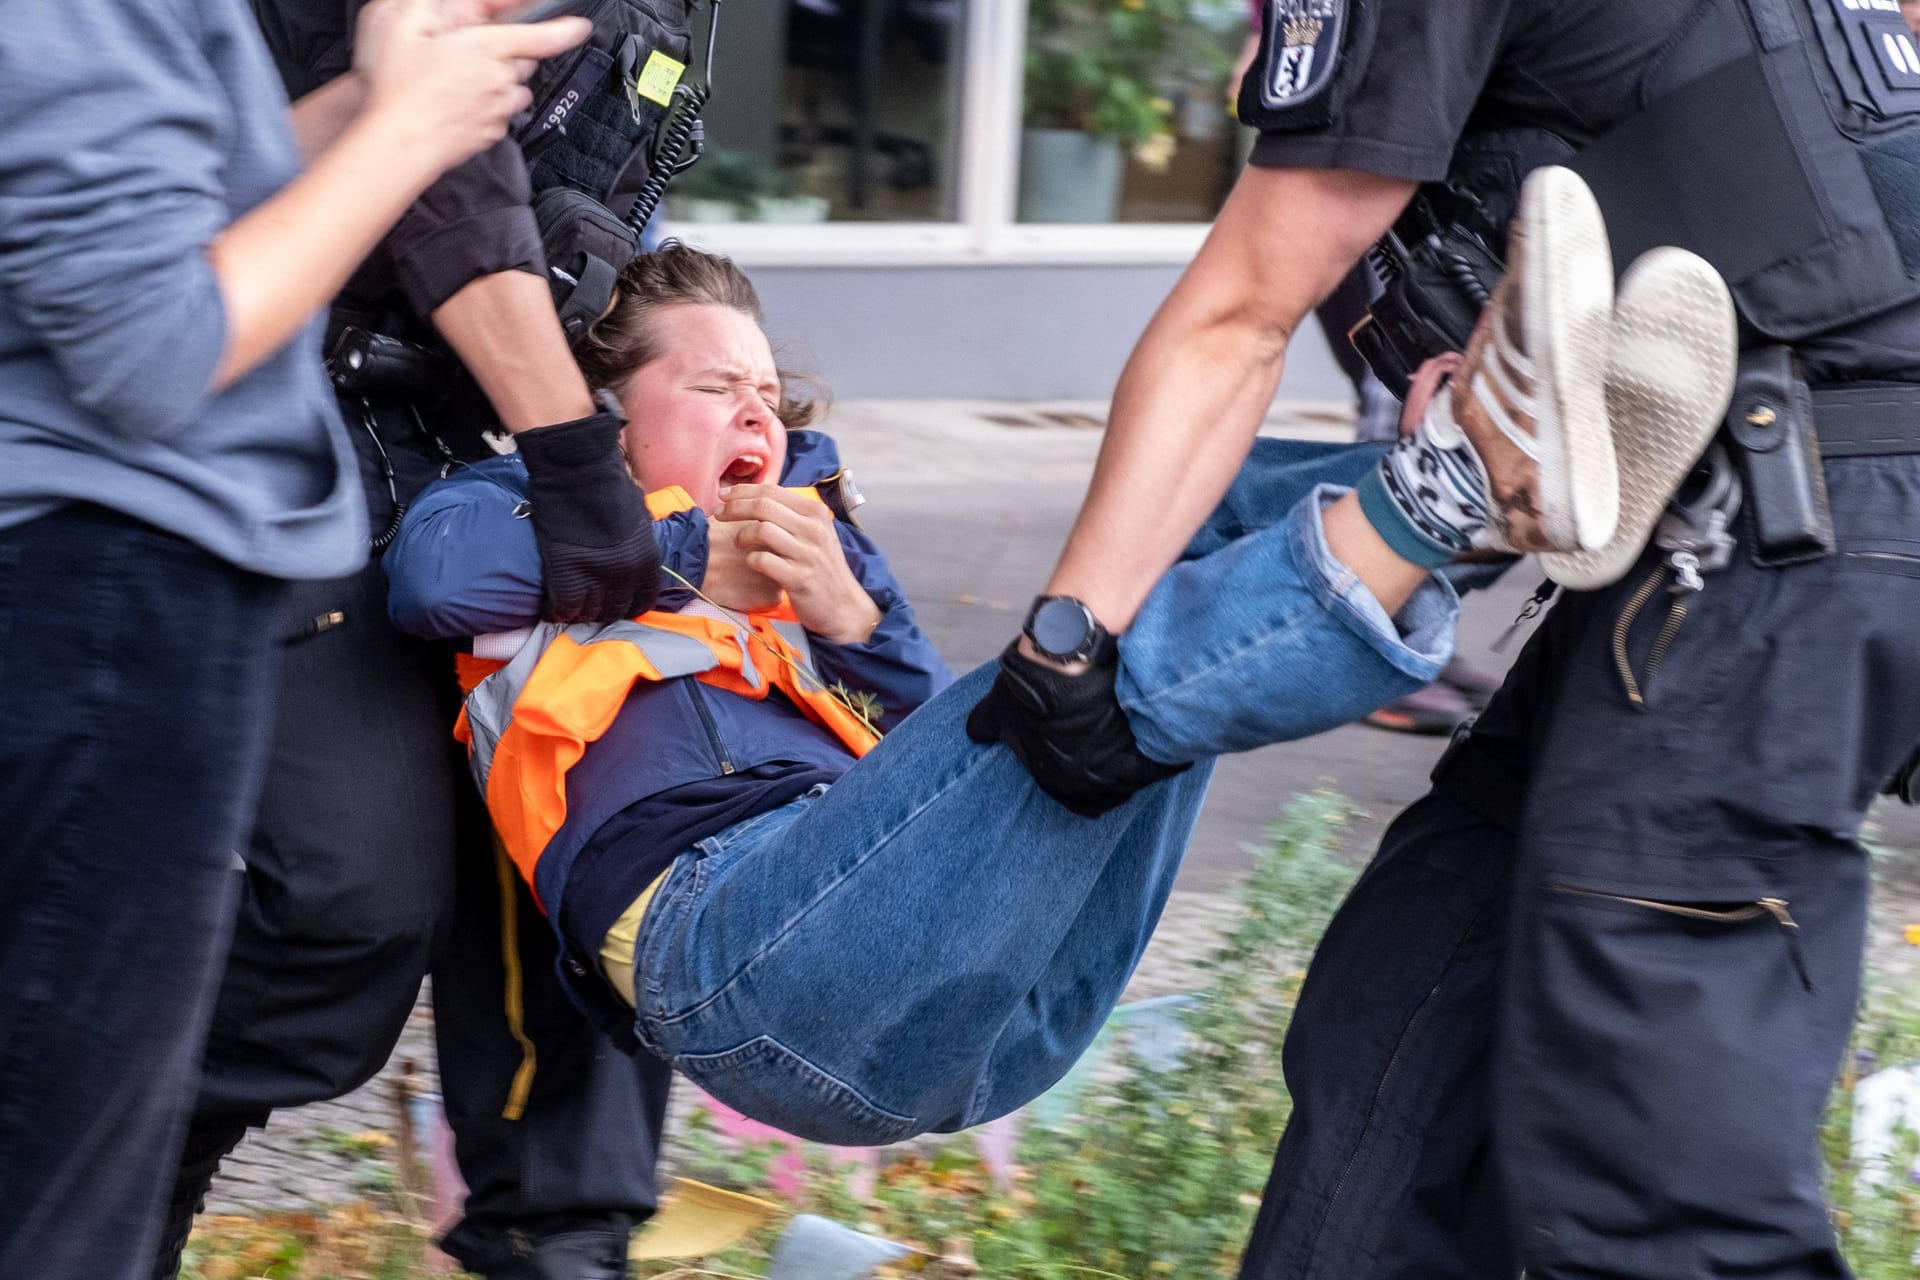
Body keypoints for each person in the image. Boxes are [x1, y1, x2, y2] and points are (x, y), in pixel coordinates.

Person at [382, 226, 1733, 1148]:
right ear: (601, 411)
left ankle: (1492, 503)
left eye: (770, 394)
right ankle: (1454, 481)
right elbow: (432, 582)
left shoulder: (818, 548)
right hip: (738, 967)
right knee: (1089, 684)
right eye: (715, 386)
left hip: (990, 1006)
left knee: (1138, 579)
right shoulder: (512, 505)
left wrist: (848, 610)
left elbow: (935, 768)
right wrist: (679, 551)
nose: (759, 417)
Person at [965, 3, 1920, 1276]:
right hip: (1760, 511)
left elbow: (1246, 307)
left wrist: (1067, 642)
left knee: (1651, 1168)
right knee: (1406, 1013)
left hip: (1782, 524)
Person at [0, 2, 589, 1277]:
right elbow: (154, 343)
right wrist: (408, 132)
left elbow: (172, 196)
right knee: (56, 1184)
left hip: (119, 577)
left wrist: (370, 104)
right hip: (91, 579)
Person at [158, 2, 689, 1276]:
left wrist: (699, 375)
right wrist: (567, 450)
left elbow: (598, 201)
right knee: (342, 909)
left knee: (622, 820)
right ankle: (93, 1148)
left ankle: (558, 1242)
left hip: (446, 436)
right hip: (254, 408)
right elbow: (444, 140)